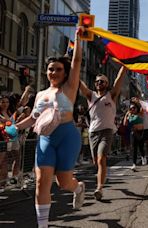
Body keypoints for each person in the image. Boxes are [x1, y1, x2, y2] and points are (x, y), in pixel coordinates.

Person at [14, 27, 85, 228]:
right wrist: (13, 127)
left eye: (58, 69)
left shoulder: (70, 88)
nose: (53, 72)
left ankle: (78, 188)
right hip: (45, 140)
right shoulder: (40, 94)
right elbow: (33, 120)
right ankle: (42, 225)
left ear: (65, 73)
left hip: (67, 137)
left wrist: (79, 38)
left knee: (63, 183)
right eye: (50, 69)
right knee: (41, 182)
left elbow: (77, 61)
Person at [79, 66, 127, 201]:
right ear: (95, 84)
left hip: (107, 131)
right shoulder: (91, 95)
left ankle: (99, 188)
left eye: (103, 81)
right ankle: (102, 178)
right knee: (96, 161)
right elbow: (79, 83)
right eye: (98, 81)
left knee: (101, 159)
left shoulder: (111, 95)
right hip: (93, 132)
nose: (100, 83)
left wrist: (124, 65)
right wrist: (72, 67)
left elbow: (119, 79)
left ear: (107, 84)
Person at [123, 102, 145, 169]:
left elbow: (142, 107)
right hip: (133, 132)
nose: (132, 109)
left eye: (134, 108)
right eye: (131, 108)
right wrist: (126, 114)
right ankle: (134, 164)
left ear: (137, 108)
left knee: (141, 147)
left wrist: (137, 101)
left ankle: (143, 157)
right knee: (134, 148)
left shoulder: (140, 113)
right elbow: (125, 124)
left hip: (141, 132)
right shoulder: (129, 115)